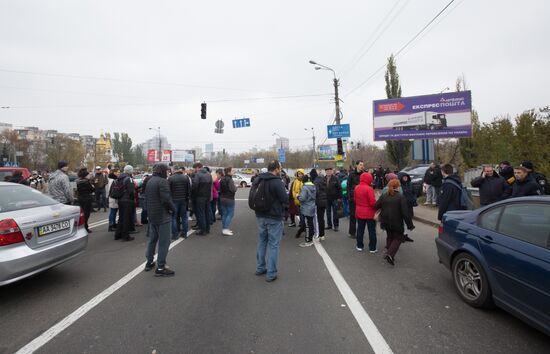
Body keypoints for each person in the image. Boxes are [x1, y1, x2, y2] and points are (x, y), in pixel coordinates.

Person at [253, 160, 288, 282]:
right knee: (273, 244)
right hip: (273, 216)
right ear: (277, 169)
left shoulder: (259, 179)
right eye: (280, 168)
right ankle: (271, 273)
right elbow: (284, 198)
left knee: (262, 241)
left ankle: (260, 267)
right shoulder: (277, 182)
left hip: (260, 215)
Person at [144, 163, 176, 277]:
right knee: (164, 242)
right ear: (162, 171)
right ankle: (161, 267)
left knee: (153, 239)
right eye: (167, 171)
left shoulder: (150, 180)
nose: (168, 172)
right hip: (162, 215)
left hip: (152, 214)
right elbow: (166, 199)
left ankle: (149, 262)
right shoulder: (163, 182)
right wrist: (173, 209)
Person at [375, 179, 415, 266]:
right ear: (397, 187)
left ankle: (388, 252)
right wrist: (410, 225)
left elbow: (376, 206)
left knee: (390, 236)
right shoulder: (401, 197)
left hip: (385, 221)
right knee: (398, 238)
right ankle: (390, 254)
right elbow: (405, 213)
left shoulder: (384, 195)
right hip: (396, 222)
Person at [354, 172, 377, 253]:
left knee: (360, 230)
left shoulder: (356, 187)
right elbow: (372, 202)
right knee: (371, 231)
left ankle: (359, 246)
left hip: (359, 211)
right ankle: (372, 248)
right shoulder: (369, 189)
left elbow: (355, 199)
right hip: (369, 213)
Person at [114, 165, 136, 241]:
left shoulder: (119, 178)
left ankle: (118, 234)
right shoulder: (129, 179)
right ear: (130, 171)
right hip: (127, 200)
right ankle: (125, 236)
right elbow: (131, 191)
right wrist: (133, 199)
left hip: (120, 200)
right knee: (127, 218)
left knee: (121, 217)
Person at [169, 166, 191, 240]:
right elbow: (189, 189)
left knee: (173, 217)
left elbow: (168, 191)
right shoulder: (186, 177)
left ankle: (175, 234)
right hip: (184, 200)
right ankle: (184, 234)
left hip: (174, 200)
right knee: (184, 217)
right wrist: (187, 198)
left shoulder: (171, 178)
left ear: (174, 170)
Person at [192, 163, 213, 236]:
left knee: (201, 214)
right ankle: (207, 229)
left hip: (200, 197)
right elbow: (211, 186)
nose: (194, 170)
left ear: (198, 167)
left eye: (195, 169)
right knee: (206, 213)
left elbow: (194, 186)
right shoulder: (209, 174)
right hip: (207, 196)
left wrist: (193, 195)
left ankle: (202, 230)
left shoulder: (198, 175)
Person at [297, 174, 317, 247]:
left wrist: (298, 196)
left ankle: (308, 240)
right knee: (311, 223)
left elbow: (302, 198)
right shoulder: (313, 186)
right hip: (312, 206)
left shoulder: (304, 188)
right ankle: (311, 238)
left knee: (308, 225)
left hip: (306, 208)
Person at [347, 160, 364, 238]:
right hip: (353, 198)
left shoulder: (364, 174)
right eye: (360, 165)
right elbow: (348, 186)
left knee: (361, 216)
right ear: (356, 165)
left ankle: (360, 232)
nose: (362, 166)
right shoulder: (351, 174)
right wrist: (349, 197)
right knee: (353, 216)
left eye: (362, 165)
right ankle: (352, 232)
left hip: (361, 198)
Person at [398, 172, 417, 242]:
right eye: (404, 177)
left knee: (409, 220)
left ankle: (405, 235)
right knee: (402, 221)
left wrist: (414, 199)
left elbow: (414, 193)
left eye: (406, 177)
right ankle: (400, 235)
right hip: (402, 206)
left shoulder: (410, 184)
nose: (405, 178)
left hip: (410, 205)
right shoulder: (399, 186)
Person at [219, 166, 237, 236]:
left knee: (225, 214)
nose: (234, 171)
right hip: (229, 198)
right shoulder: (230, 180)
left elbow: (220, 189)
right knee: (230, 214)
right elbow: (233, 189)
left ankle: (224, 228)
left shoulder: (222, 179)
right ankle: (225, 229)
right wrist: (236, 187)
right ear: (229, 172)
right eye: (232, 170)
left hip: (222, 198)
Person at [76, 168, 94, 233]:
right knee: (86, 214)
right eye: (88, 175)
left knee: (83, 213)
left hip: (80, 198)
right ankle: (85, 227)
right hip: (87, 198)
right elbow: (92, 190)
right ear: (85, 175)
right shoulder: (87, 182)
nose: (89, 175)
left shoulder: (78, 182)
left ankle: (83, 226)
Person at [325, 167, 342, 232]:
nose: (329, 172)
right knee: (328, 212)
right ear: (325, 172)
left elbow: (339, 188)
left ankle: (336, 226)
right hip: (327, 198)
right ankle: (329, 225)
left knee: (335, 213)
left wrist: (339, 198)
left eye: (330, 171)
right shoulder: (324, 178)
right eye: (327, 171)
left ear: (332, 171)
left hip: (335, 198)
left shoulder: (336, 178)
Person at [311, 168, 326, 240]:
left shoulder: (316, 181)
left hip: (319, 201)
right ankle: (322, 235)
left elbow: (316, 192)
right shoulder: (323, 179)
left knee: (318, 219)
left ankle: (319, 235)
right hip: (324, 201)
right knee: (322, 218)